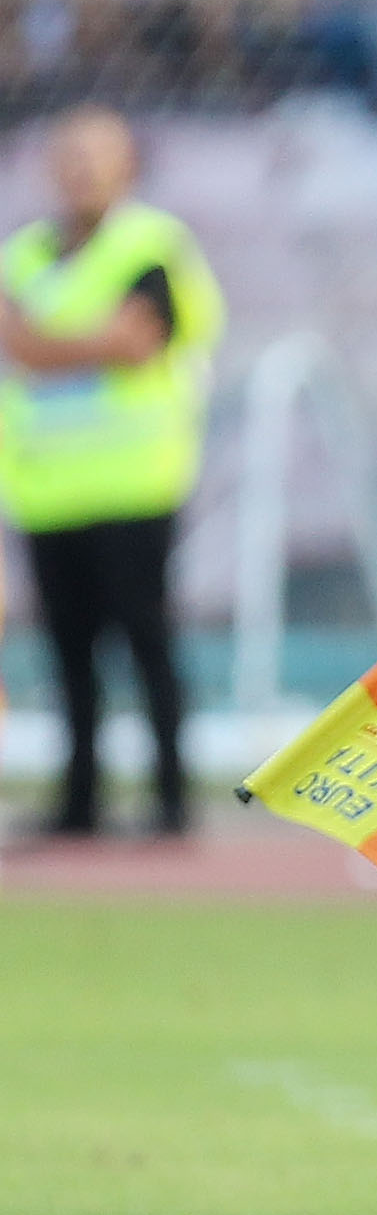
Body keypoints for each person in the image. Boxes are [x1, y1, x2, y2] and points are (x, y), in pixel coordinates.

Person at [0, 107, 222, 838]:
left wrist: (43, 344)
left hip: (135, 482)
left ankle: (169, 800)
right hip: (49, 488)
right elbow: (21, 339)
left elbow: (134, 341)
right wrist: (73, 342)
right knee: (67, 654)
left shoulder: (152, 244)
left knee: (146, 641)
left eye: (97, 156)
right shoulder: (26, 254)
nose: (82, 171)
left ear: (128, 165)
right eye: (70, 156)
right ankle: (79, 805)